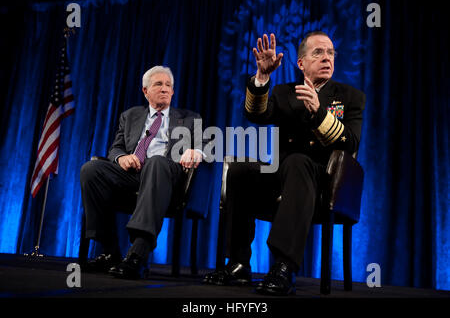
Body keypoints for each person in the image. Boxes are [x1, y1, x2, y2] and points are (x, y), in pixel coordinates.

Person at [203, 31, 365, 295]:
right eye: (318, 52)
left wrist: (319, 113)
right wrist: (262, 78)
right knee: (240, 169)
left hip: (323, 183)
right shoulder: (283, 92)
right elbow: (255, 114)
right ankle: (238, 263)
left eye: (331, 52)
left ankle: (284, 266)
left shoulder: (349, 96)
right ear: (301, 63)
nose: (327, 58)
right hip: (282, 176)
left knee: (298, 162)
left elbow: (350, 143)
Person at [80, 65, 205, 279]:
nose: (165, 89)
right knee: (91, 169)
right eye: (158, 84)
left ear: (173, 92)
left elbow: (205, 144)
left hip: (166, 175)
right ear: (145, 91)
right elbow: (116, 148)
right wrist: (121, 158)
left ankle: (138, 253)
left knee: (156, 162)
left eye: (168, 85)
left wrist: (196, 151)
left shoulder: (190, 118)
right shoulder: (130, 116)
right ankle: (110, 251)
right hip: (132, 173)